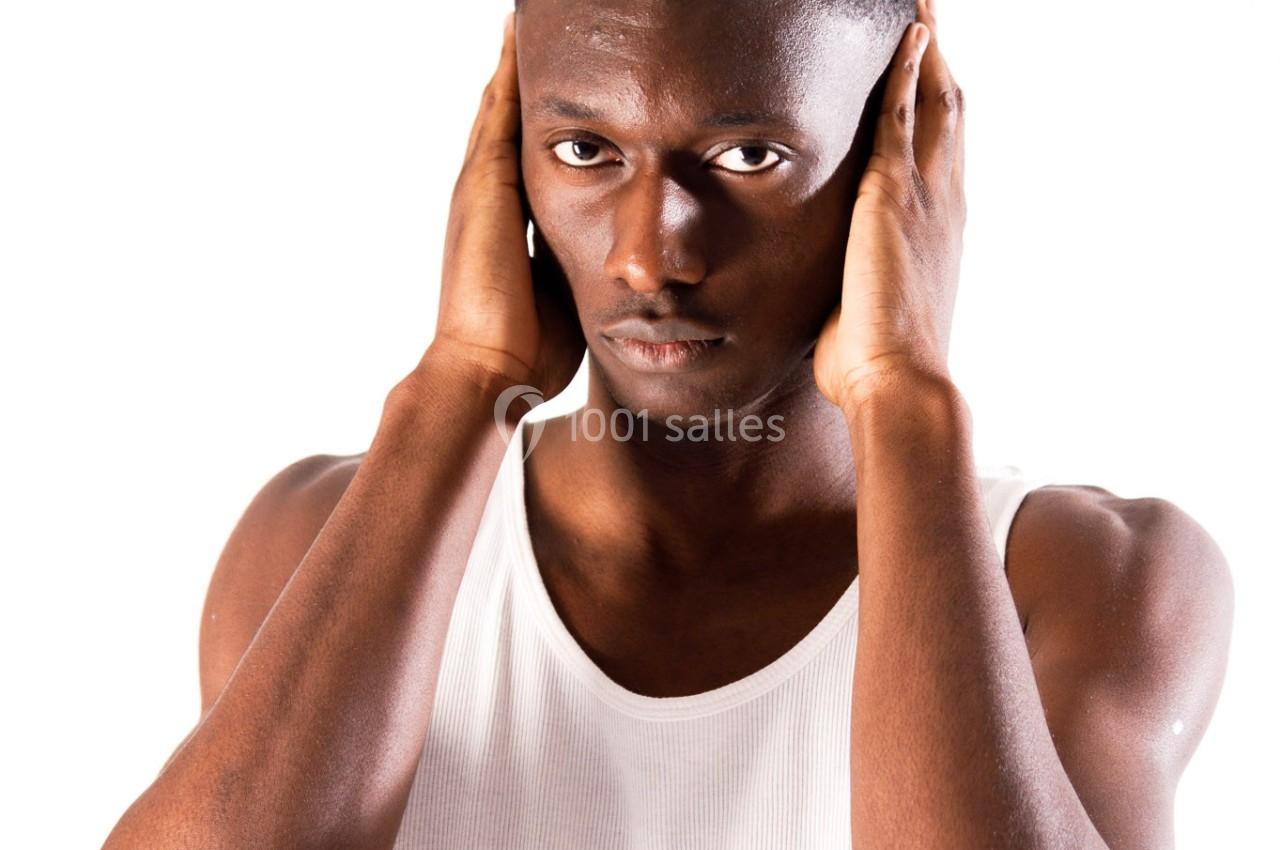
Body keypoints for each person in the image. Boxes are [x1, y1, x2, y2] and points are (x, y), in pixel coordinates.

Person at [102, 1, 1234, 848]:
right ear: (507, 167)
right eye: (585, 151)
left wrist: (905, 399)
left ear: (899, 164)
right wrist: (461, 383)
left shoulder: (1088, 578)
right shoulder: (317, 538)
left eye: (749, 156)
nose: (652, 257)